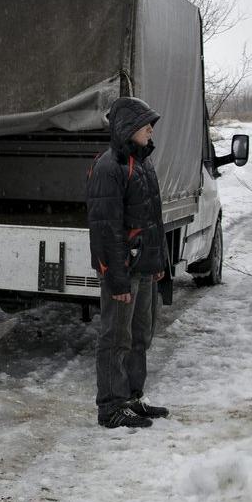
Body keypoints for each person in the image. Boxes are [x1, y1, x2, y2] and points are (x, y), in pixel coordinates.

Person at [86, 96, 171, 429]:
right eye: (145, 124)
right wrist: (116, 279)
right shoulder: (109, 167)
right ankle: (110, 406)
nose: (151, 129)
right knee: (115, 338)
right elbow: (105, 229)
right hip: (123, 272)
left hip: (144, 268)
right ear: (127, 129)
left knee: (140, 336)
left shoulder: (143, 162)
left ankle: (133, 397)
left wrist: (158, 260)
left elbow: (152, 219)